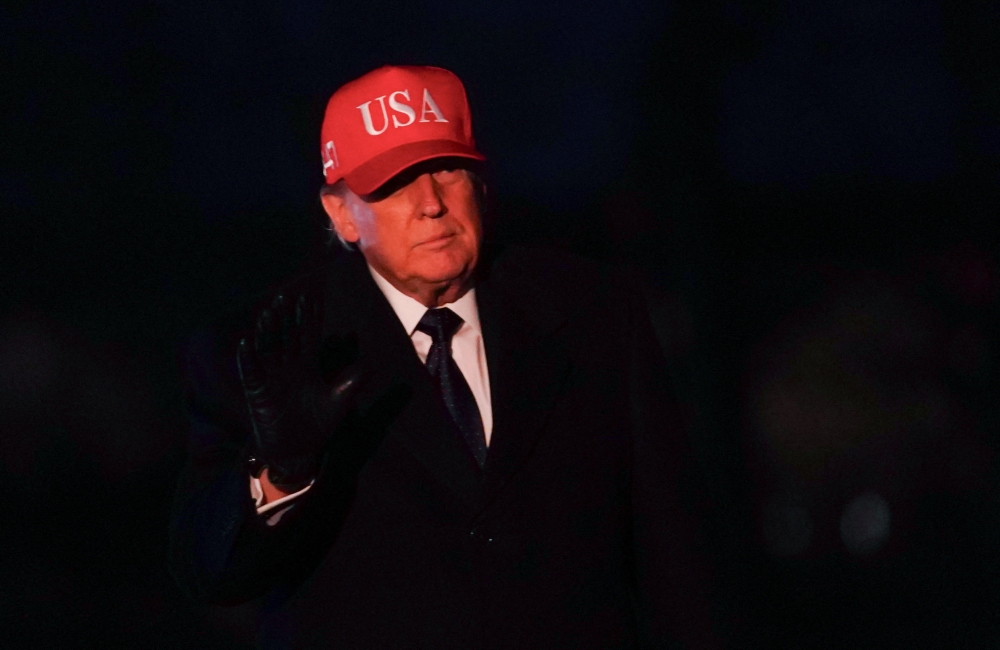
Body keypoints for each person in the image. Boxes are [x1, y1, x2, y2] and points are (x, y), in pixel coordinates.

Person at [169, 65, 719, 649]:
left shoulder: (595, 313)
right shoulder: (262, 351)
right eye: (395, 181)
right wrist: (280, 477)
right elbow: (210, 574)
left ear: (482, 182)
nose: (431, 203)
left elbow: (678, 550)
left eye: (446, 168)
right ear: (340, 214)